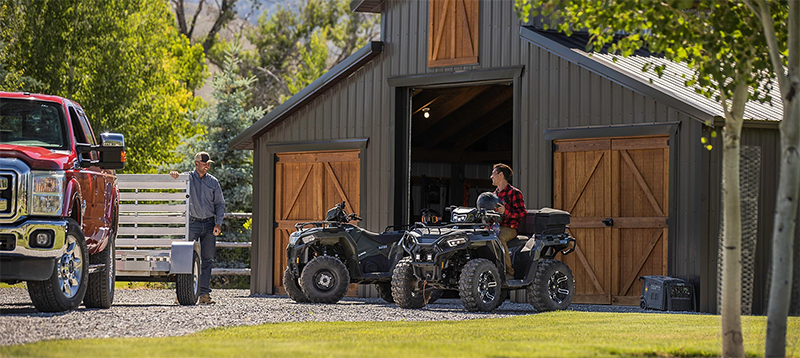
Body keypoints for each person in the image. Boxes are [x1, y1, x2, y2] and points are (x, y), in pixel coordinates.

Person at [170, 152, 225, 304]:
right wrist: (175, 175)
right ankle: (181, 294)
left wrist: (218, 223)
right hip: (192, 223)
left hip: (209, 225)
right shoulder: (187, 178)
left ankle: (204, 295)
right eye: (204, 163)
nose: (207, 166)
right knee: (186, 258)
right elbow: (176, 179)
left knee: (207, 260)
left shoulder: (213, 182)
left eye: (209, 163)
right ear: (196, 164)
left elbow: (220, 204)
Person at [490, 163, 526, 277]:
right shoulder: (493, 195)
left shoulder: (514, 193)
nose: (491, 177)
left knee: (499, 239)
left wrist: (505, 212)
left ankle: (508, 273)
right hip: (495, 226)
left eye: (493, 174)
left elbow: (522, 213)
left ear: (500, 175)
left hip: (509, 228)